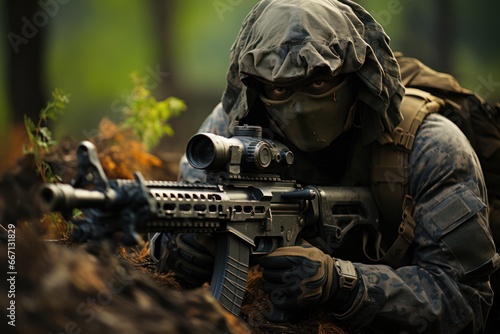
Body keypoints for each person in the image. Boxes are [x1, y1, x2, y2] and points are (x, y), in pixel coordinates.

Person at [150, 0, 499, 332]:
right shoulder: (227, 136)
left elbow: (465, 301)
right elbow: (168, 253)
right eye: (278, 88)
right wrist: (188, 251)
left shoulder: (431, 146)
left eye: (318, 83)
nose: (299, 108)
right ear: (257, 88)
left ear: (356, 79)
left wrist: (342, 283)